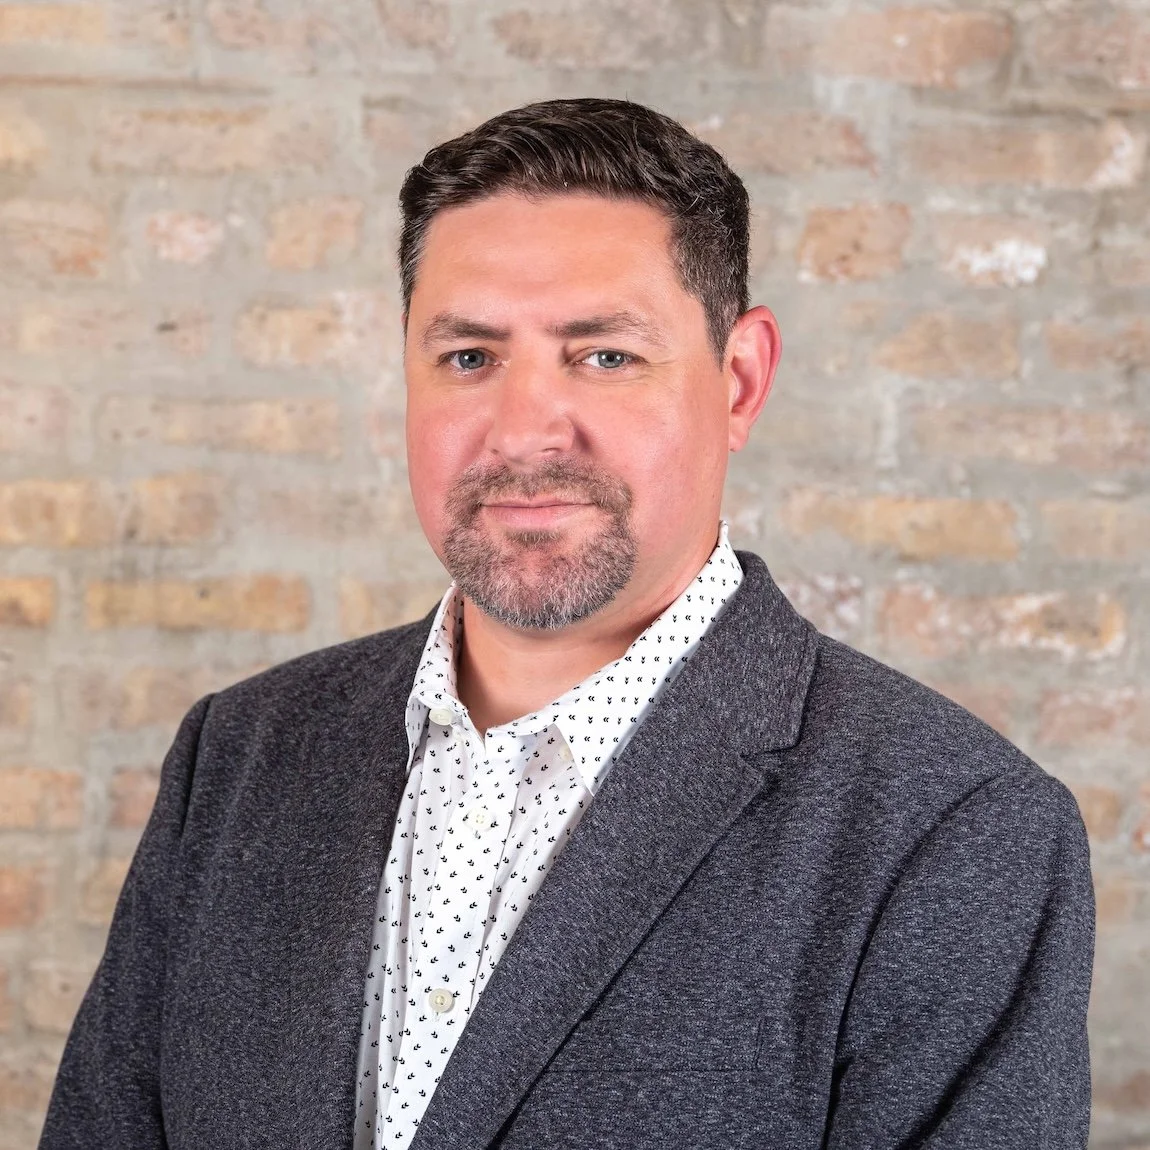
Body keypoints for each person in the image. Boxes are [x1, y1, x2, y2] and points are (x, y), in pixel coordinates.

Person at [40, 97, 1094, 1150]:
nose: (524, 429)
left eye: (602, 357)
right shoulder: (238, 758)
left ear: (739, 380)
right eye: (468, 357)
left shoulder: (953, 830)